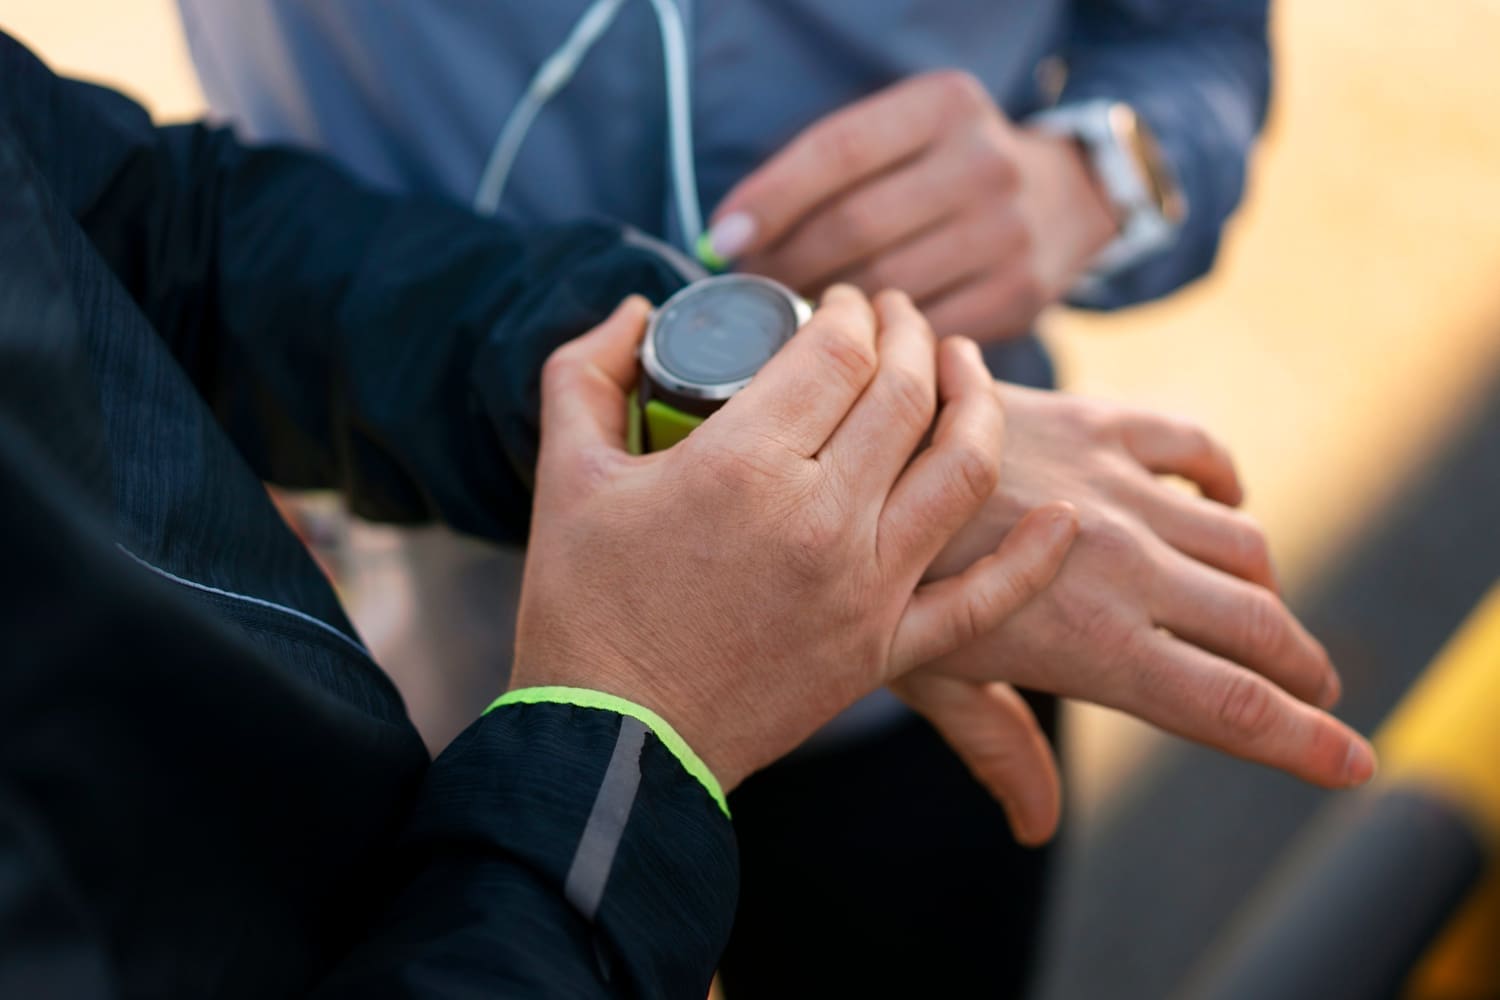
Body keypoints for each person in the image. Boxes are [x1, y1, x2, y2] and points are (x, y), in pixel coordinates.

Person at [2, 26, 1374, 998]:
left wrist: (1099, 177)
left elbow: (138, 220)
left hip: (950, 603)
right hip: (414, 675)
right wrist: (617, 743)